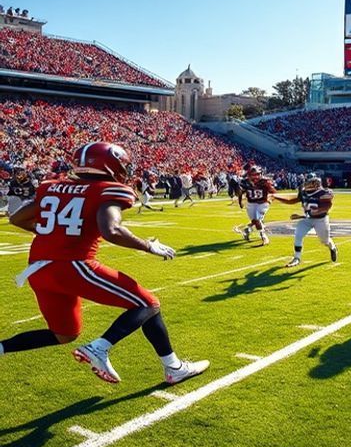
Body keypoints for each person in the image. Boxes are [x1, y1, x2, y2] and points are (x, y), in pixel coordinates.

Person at [2, 142, 208, 385]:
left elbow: (16, 218)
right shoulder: (108, 189)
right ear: (110, 164)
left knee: (64, 333)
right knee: (148, 302)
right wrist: (148, 245)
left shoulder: (53, 186)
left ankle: (2, 347)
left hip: (38, 270)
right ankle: (105, 349)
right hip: (73, 266)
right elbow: (111, 230)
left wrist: (53, 232)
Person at [273, 173, 337, 267]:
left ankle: (333, 248)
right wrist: (276, 197)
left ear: (316, 183)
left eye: (310, 183)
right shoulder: (303, 192)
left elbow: (328, 206)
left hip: (321, 219)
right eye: (307, 182)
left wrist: (317, 211)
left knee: (324, 240)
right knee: (298, 234)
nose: (307, 184)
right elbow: (292, 201)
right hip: (307, 219)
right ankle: (296, 258)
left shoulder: (323, 193)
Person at [237, 166, 276, 246]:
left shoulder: (265, 182)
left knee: (257, 220)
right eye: (253, 175)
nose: (255, 177)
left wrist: (270, 199)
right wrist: (240, 202)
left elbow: (274, 192)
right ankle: (247, 230)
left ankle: (264, 237)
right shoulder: (245, 182)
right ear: (249, 175)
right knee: (254, 221)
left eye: (257, 174)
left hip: (262, 203)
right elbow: (240, 192)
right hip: (251, 204)